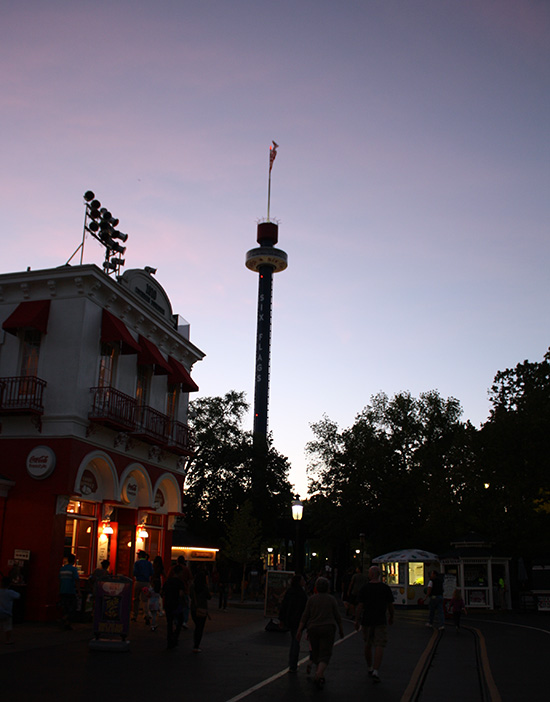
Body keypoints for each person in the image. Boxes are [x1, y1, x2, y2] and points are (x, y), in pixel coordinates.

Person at [296, 576, 344, 690]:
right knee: (325, 653)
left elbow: (305, 615)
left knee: (316, 652)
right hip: (328, 628)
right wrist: (341, 629)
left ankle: (319, 673)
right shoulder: (331, 599)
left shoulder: (312, 599)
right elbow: (337, 616)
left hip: (313, 628)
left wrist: (299, 630)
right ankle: (319, 674)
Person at [354, 565, 394, 684]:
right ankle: (376, 670)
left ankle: (369, 667)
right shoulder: (385, 588)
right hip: (380, 619)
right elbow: (390, 605)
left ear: (371, 575)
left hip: (367, 619)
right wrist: (391, 616)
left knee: (367, 643)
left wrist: (357, 619)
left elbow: (360, 605)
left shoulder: (365, 588)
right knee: (379, 644)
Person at [279, 574, 307, 673]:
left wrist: (282, 619)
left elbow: (284, 606)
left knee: (294, 640)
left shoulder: (290, 592)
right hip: (299, 620)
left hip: (290, 619)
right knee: (296, 641)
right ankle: (293, 664)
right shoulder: (302, 594)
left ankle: (292, 664)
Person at [162, 565, 187, 648]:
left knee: (169, 623)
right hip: (176, 604)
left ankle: (169, 640)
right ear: (180, 572)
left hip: (168, 603)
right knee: (180, 620)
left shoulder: (168, 581)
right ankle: (175, 637)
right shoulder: (180, 582)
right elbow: (181, 594)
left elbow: (162, 592)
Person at [190, 569, 211, 652]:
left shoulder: (193, 587)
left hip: (194, 608)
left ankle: (195, 643)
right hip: (202, 609)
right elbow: (209, 597)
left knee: (197, 626)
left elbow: (190, 596)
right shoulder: (204, 588)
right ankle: (196, 645)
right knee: (200, 627)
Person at [59, 553, 80, 630]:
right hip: (70, 590)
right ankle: (65, 619)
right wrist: (79, 591)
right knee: (72, 607)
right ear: (74, 561)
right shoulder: (73, 569)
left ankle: (66, 624)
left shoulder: (62, 568)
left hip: (62, 590)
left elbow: (59, 579)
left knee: (65, 607)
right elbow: (77, 580)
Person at [132, 551, 153, 623]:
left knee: (136, 599)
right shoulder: (149, 563)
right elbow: (152, 573)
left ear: (140, 556)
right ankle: (146, 615)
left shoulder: (137, 563)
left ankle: (135, 615)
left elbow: (134, 572)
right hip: (146, 583)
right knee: (145, 600)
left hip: (138, 581)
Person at [0, 576, 21, 645]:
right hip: (7, 613)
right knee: (7, 626)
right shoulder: (10, 592)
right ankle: (7, 639)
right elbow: (18, 596)